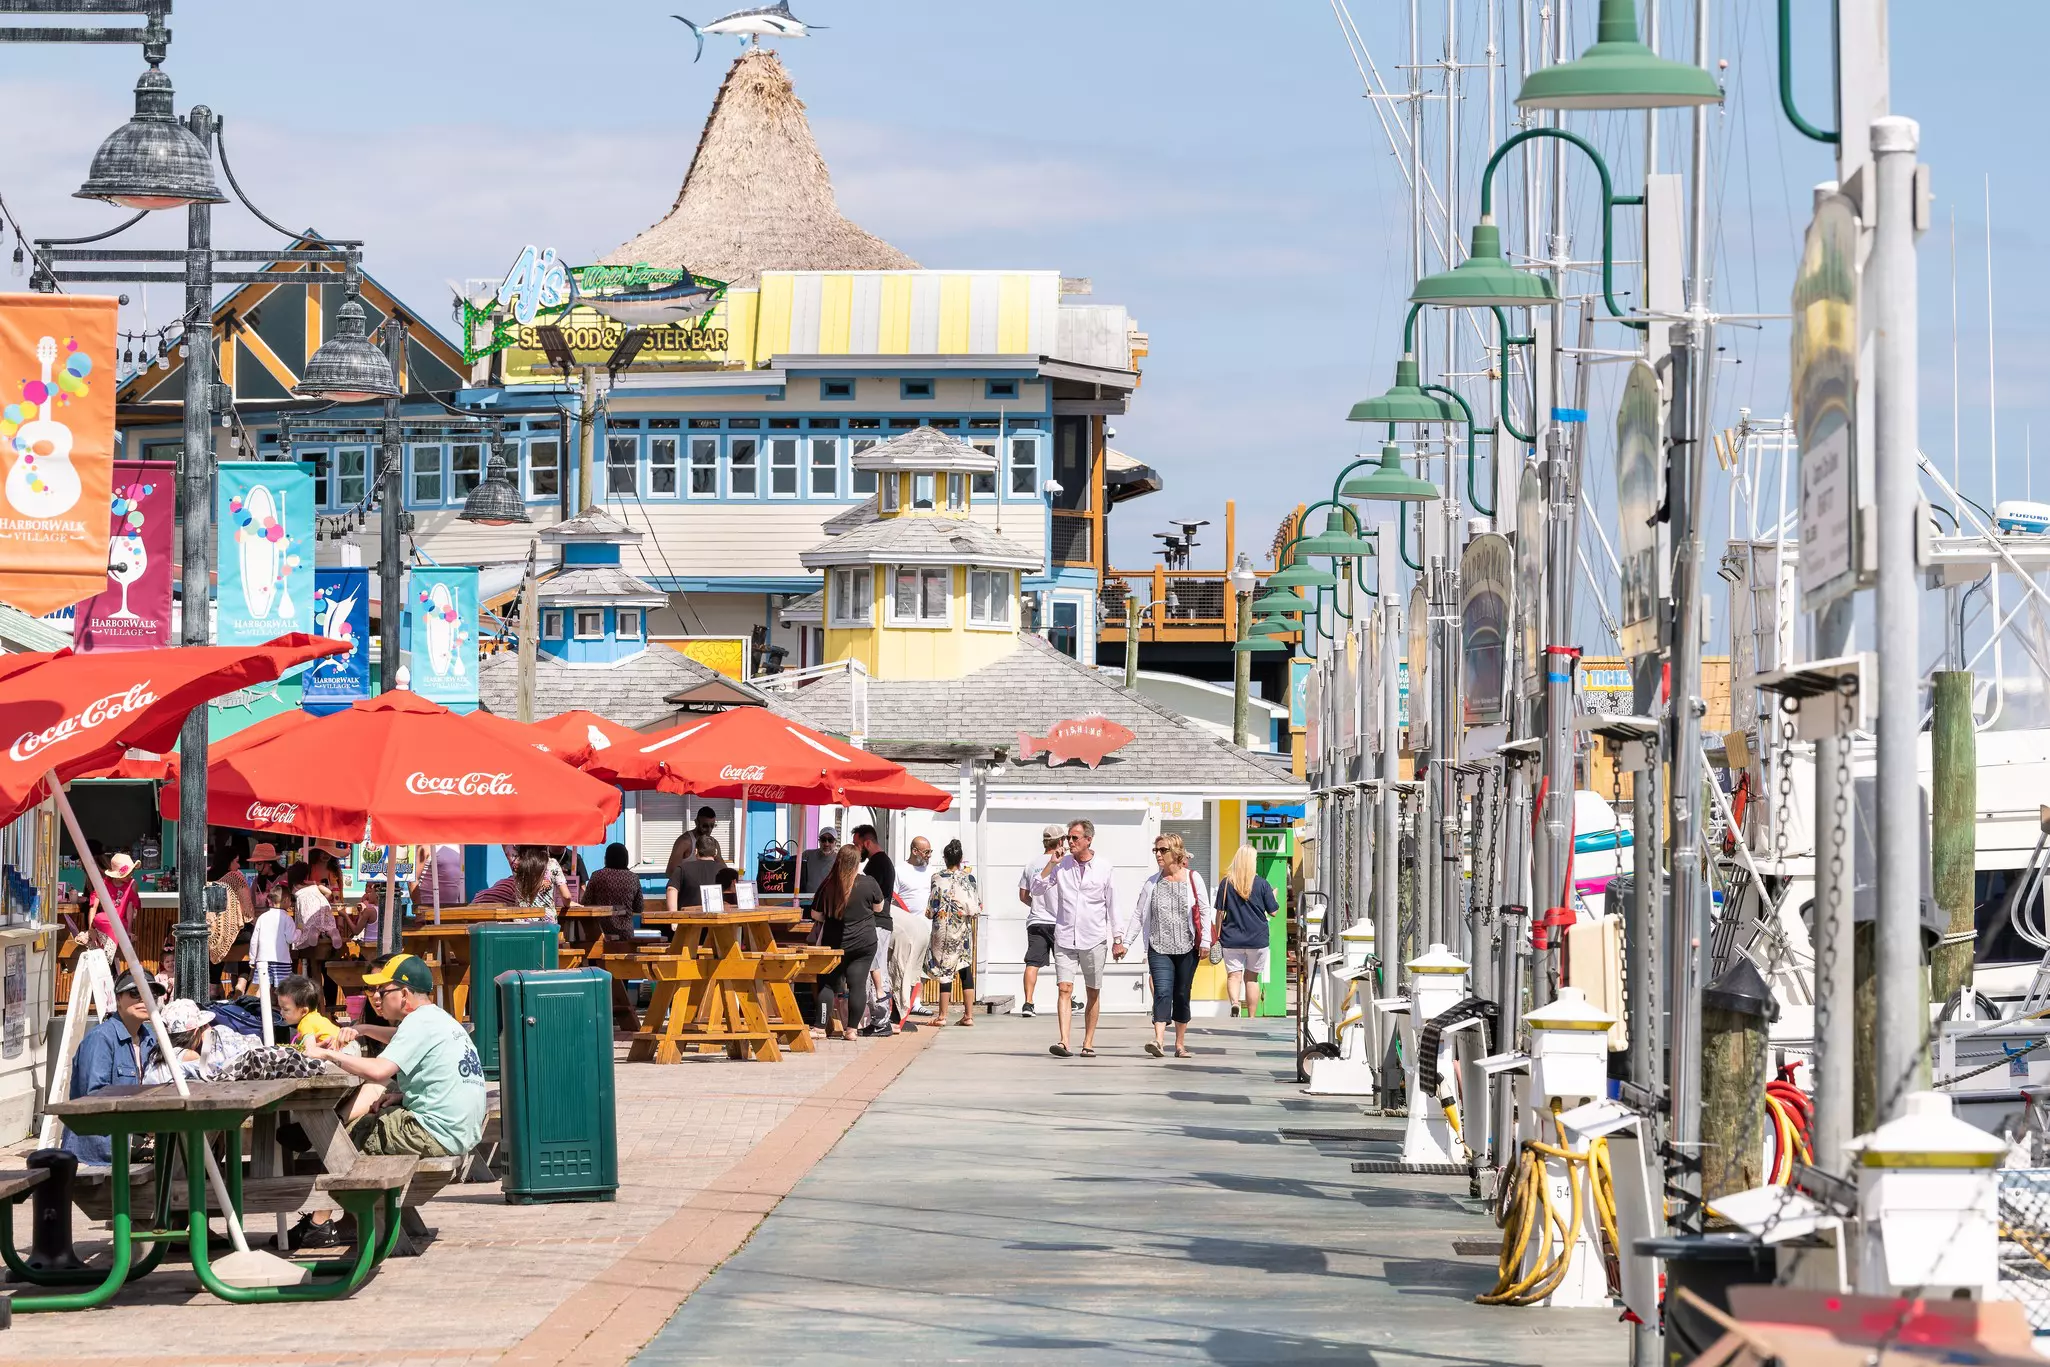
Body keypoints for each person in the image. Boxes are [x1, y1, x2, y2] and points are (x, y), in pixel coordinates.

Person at [307, 954, 486, 1159]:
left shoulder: (417, 1022)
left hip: (433, 1134)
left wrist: (326, 1054)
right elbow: (400, 1039)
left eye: (382, 991)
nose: (376, 997)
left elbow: (378, 1071)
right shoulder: (438, 1018)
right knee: (366, 1119)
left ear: (403, 994)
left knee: (342, 1138)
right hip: (459, 1132)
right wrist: (363, 1029)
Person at [1033, 819, 1121, 1058]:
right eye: (1068, 838)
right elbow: (1037, 889)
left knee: (1093, 991)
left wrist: (1118, 937)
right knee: (1064, 988)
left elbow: (1113, 905)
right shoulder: (1061, 865)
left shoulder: (1104, 867)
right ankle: (1063, 1041)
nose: (1069, 842)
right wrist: (1051, 864)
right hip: (1064, 936)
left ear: (1088, 839)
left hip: (1093, 937)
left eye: (1074, 838)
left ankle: (1088, 1042)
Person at [59, 970, 152, 1165]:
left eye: (150, 992)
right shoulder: (100, 1039)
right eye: (135, 993)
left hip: (133, 1134)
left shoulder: (151, 1038)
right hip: (100, 1142)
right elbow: (94, 1100)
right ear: (118, 999)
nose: (143, 998)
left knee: (189, 1146)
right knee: (173, 1153)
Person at [1136, 832, 1209, 1059]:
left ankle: (1179, 1044)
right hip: (1159, 946)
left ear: (1176, 852)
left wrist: (1205, 940)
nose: (1158, 854)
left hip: (1187, 947)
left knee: (1181, 993)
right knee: (1162, 991)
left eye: (1162, 850)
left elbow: (1205, 910)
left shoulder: (1193, 878)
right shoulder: (1152, 882)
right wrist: (1124, 942)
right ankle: (1158, 1040)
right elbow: (1139, 914)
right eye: (1155, 850)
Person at [810, 846, 883, 1039]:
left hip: (835, 943)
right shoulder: (869, 883)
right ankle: (851, 1030)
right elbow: (879, 907)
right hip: (864, 942)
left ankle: (819, 1028)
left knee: (827, 984)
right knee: (857, 984)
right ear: (858, 861)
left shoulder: (828, 884)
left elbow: (815, 914)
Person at [1214, 846, 1281, 1021]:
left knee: (1234, 975)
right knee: (1251, 978)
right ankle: (1251, 1017)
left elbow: (1220, 912)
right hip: (1257, 939)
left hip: (1231, 938)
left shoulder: (1226, 883)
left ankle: (1235, 1003)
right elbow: (1273, 911)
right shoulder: (1262, 884)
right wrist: (1274, 895)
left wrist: (1216, 935)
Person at [141, 997, 261, 1083]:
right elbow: (215, 1073)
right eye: (204, 1026)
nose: (209, 1028)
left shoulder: (159, 1052)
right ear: (194, 1031)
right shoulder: (188, 1055)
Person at [926, 840, 979, 1027]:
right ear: (961, 859)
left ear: (944, 858)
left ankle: (942, 1016)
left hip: (942, 927)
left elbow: (931, 907)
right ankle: (969, 1015)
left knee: (944, 969)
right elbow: (976, 906)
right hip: (962, 927)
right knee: (965, 967)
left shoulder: (936, 877)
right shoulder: (969, 879)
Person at [850, 826, 898, 1028]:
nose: (856, 849)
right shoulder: (881, 862)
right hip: (879, 922)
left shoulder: (878, 864)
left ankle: (881, 1020)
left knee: (877, 970)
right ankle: (878, 1018)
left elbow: (875, 898)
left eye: (857, 844)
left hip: (878, 923)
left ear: (866, 843)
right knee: (875, 969)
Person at [1017, 825, 1065, 1017]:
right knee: (1063, 962)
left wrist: (1036, 905)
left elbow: (1022, 895)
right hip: (1059, 921)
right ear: (1060, 841)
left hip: (1036, 920)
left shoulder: (1031, 864)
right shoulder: (1064, 862)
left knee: (1032, 963)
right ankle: (1069, 997)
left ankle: (1028, 1003)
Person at [277, 974, 346, 1051]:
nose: (281, 1012)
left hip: (344, 1050)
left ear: (304, 1011)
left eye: (285, 1009)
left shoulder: (306, 1023)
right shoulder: (315, 1017)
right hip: (347, 1045)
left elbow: (310, 1051)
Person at [250, 883, 299, 990]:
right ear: (286, 900)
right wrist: (299, 931)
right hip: (282, 960)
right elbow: (291, 939)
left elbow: (254, 940)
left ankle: (261, 1006)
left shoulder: (262, 918)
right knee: (282, 990)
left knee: (262, 989)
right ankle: (281, 1007)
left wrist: (252, 958)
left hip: (262, 960)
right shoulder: (287, 918)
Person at [90, 852, 141, 948]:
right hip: (106, 921)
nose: (131, 875)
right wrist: (90, 929)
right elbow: (94, 906)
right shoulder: (104, 883)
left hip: (121, 921)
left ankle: (107, 952)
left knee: (117, 925)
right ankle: (106, 952)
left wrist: (129, 931)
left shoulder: (132, 884)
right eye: (128, 873)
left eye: (132, 872)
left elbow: (130, 909)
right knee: (100, 919)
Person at [665, 834, 725, 913]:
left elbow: (671, 889)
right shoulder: (724, 871)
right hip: (718, 921)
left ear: (696, 851)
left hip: (687, 921)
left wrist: (673, 918)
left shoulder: (683, 868)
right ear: (715, 852)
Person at [413, 843, 465, 913]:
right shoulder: (425, 846)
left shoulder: (458, 846)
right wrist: (419, 909)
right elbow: (413, 879)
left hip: (454, 908)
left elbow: (459, 878)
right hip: (429, 908)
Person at [798, 827, 839, 897]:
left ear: (835, 842)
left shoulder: (840, 859)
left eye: (830, 840)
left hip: (827, 901)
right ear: (819, 841)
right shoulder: (807, 855)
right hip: (807, 900)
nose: (826, 844)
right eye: (823, 840)